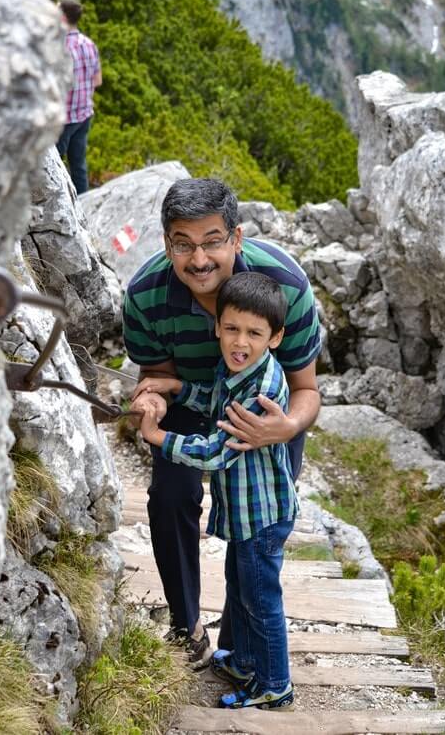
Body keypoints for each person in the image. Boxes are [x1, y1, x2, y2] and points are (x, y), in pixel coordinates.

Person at [123, 178, 321, 666]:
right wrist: (153, 404)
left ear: (236, 237)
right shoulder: (145, 296)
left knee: (256, 522)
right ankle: (185, 624)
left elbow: (306, 389)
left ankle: (240, 644)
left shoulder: (287, 287)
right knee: (171, 494)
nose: (199, 259)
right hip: (191, 396)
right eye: (183, 244)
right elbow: (159, 378)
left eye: (213, 240)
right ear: (166, 242)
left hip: (265, 409)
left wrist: (287, 428)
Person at [136, 272, 296, 709]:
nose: (239, 341)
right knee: (240, 587)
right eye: (231, 329)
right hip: (245, 509)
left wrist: (158, 437)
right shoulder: (240, 369)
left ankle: (275, 684)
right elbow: (213, 399)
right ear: (217, 326)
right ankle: (244, 661)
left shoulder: (260, 391)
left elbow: (212, 453)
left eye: (254, 333)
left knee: (260, 599)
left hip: (263, 513)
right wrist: (177, 387)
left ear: (275, 337)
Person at [56, 0, 101, 194]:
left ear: (63, 17)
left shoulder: (59, 46)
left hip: (64, 118)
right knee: (78, 166)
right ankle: (83, 206)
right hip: (84, 114)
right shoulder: (88, 43)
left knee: (52, 169)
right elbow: (97, 80)